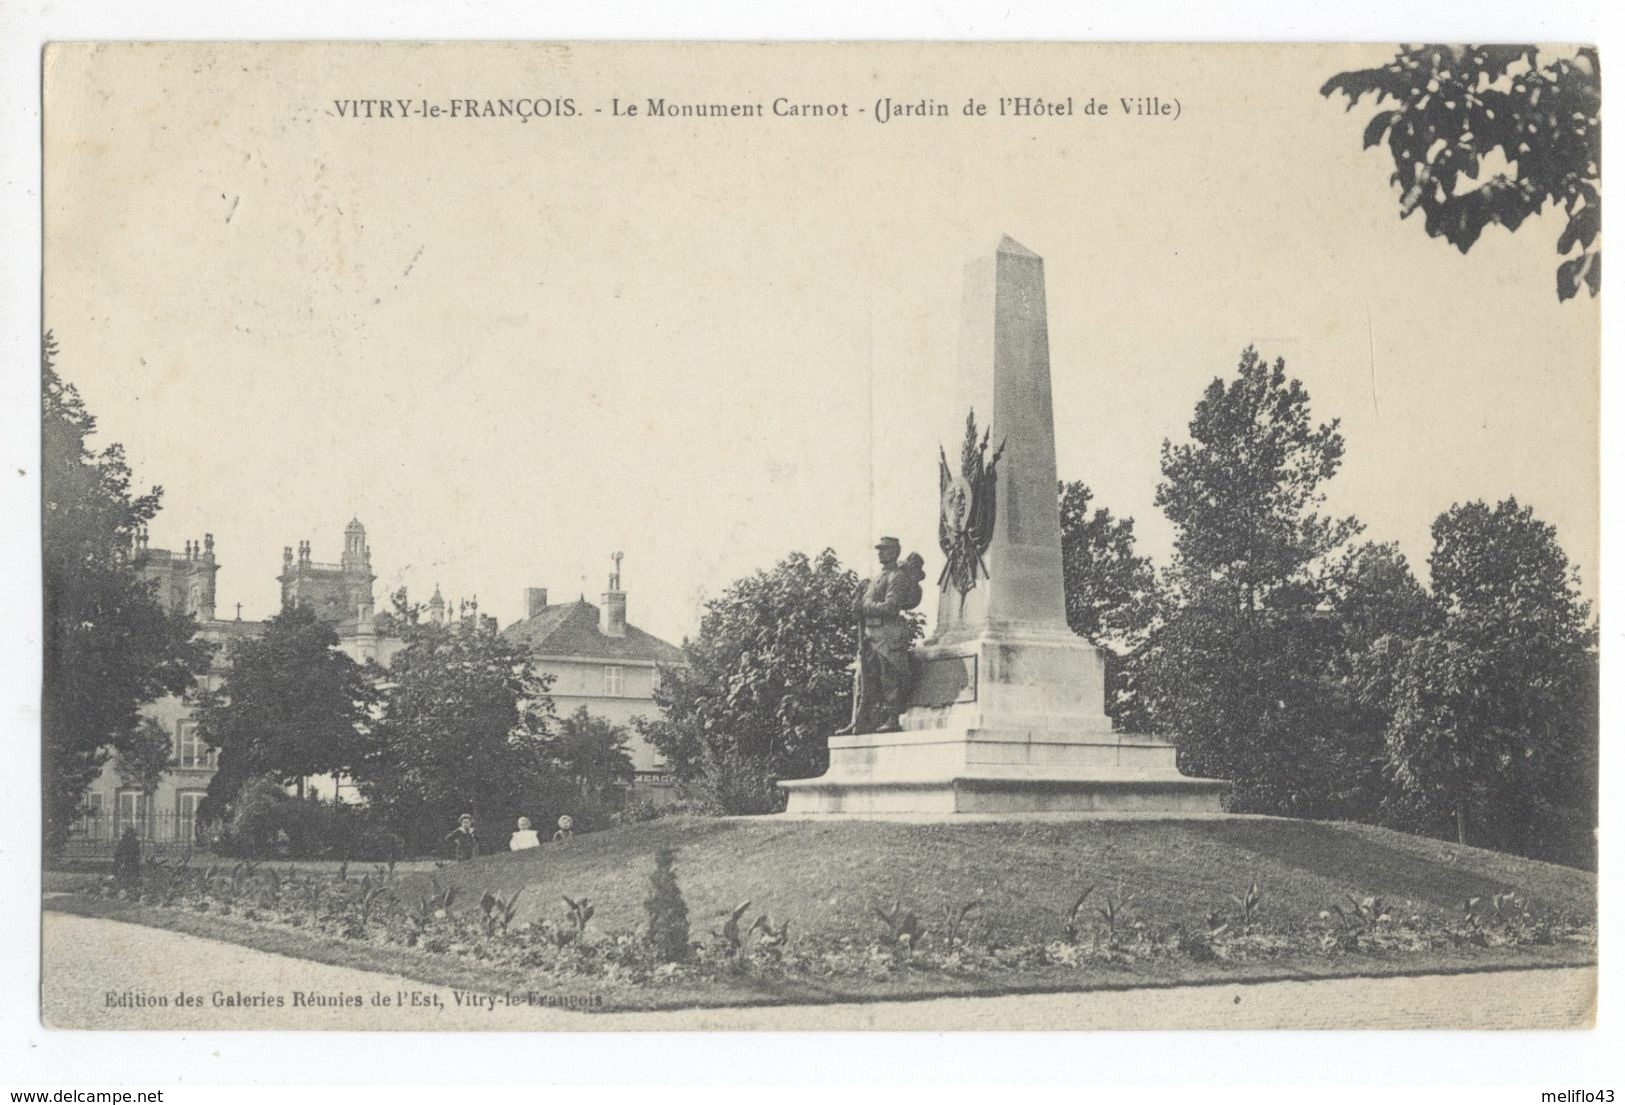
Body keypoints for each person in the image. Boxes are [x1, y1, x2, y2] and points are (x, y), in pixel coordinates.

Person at [834, 537, 925, 735]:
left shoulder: (897, 577)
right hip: (870, 635)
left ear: (895, 552)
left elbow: (891, 607)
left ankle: (892, 718)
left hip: (887, 635)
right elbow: (867, 604)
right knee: (862, 681)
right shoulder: (877, 577)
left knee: (888, 677)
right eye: (879, 550)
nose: (880, 553)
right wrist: (858, 609)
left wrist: (865, 607)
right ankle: (858, 720)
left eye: (885, 549)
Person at [113, 827, 142, 891]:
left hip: (127, 861)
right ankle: (129, 888)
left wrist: (119, 861)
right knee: (131, 875)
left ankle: (125, 887)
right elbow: (137, 853)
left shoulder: (123, 841)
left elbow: (117, 853)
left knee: (125, 876)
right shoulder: (135, 842)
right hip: (130, 862)